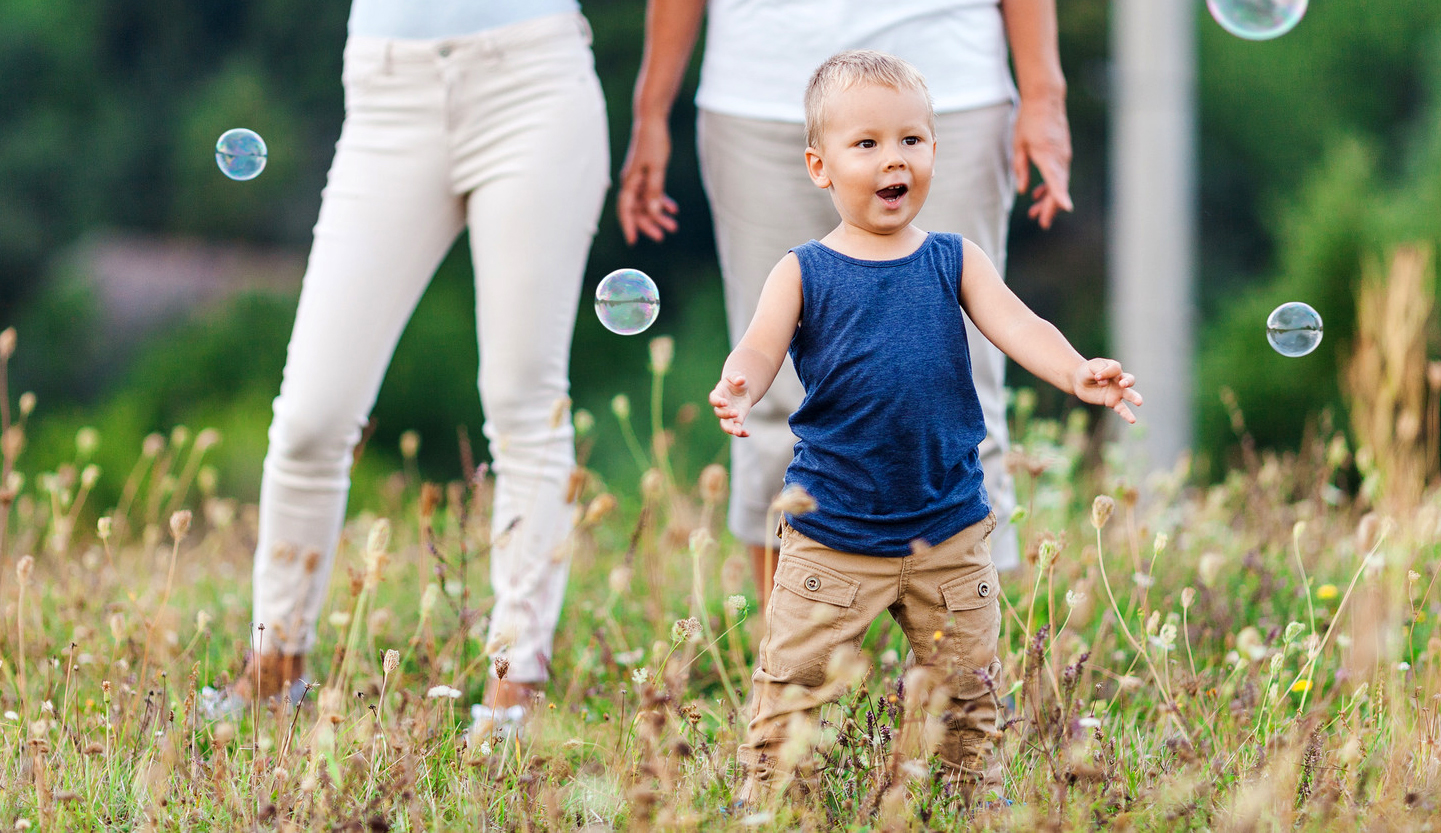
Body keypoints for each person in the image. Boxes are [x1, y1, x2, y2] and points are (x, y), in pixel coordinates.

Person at [709, 51, 1139, 801]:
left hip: (947, 523)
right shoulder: (804, 270)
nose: (892, 159)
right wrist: (740, 382)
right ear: (820, 166)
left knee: (969, 689)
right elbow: (759, 342)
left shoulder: (953, 258)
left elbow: (1019, 323)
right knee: (794, 684)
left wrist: (1073, 369)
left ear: (933, 152)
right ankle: (772, 801)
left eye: (910, 139)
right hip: (833, 528)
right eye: (866, 144)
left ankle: (974, 797)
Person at [231, 0, 609, 725]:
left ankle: (515, 680)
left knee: (523, 396)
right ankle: (275, 663)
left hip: (534, 77)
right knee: (311, 416)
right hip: (385, 89)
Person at [621, 0, 1074, 601]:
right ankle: (790, 660)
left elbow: (1018, 329)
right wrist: (651, 108)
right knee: (771, 406)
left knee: (961, 394)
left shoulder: (930, 160)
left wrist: (1044, 94)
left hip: (951, 80)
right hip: (759, 92)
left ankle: (969, 665)